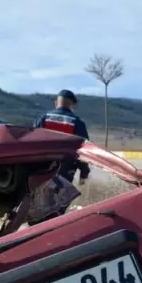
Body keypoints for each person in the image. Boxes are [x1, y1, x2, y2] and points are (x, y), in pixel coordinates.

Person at [30, 89, 91, 222]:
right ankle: (51, 227)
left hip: (42, 168)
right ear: (72, 105)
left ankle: (35, 227)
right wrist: (84, 172)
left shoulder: (43, 118)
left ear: (55, 103)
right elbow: (82, 149)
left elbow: (31, 142)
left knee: (39, 201)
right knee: (58, 204)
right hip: (65, 169)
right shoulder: (77, 123)